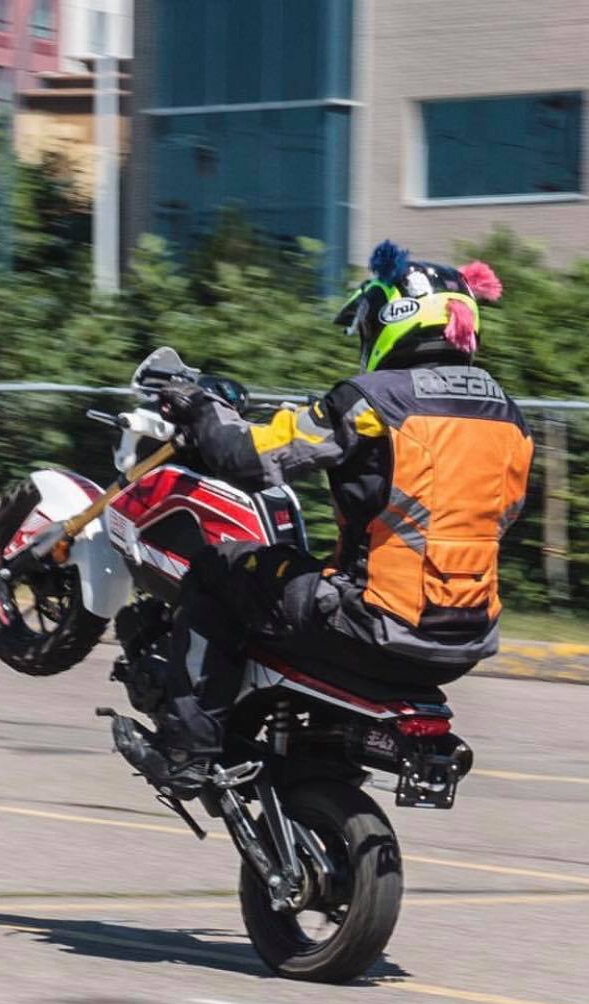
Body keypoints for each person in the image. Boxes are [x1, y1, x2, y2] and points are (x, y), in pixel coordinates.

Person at [114, 240, 534, 798]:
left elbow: (248, 455)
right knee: (298, 575)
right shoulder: (509, 416)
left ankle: (187, 748)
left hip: (375, 625)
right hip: (467, 639)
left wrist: (199, 406)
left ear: (394, 317)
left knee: (219, 567)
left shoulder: (369, 401)